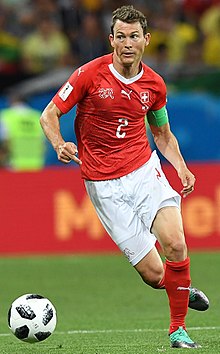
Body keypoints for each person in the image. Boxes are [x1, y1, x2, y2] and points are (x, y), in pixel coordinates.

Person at [40, 5, 209, 349]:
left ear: (146, 40)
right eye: (120, 36)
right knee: (153, 275)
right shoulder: (88, 74)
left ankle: (178, 330)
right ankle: (179, 287)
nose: (127, 43)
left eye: (134, 36)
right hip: (103, 185)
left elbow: (162, 134)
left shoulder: (154, 85)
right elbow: (49, 114)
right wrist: (58, 144)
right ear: (111, 39)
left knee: (176, 243)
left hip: (144, 171)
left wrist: (180, 166)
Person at [0, 93, 45, 171]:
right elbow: (43, 142)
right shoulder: (37, 116)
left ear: (11, 101)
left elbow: (5, 142)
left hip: (13, 165)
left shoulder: (6, 116)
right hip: (36, 164)